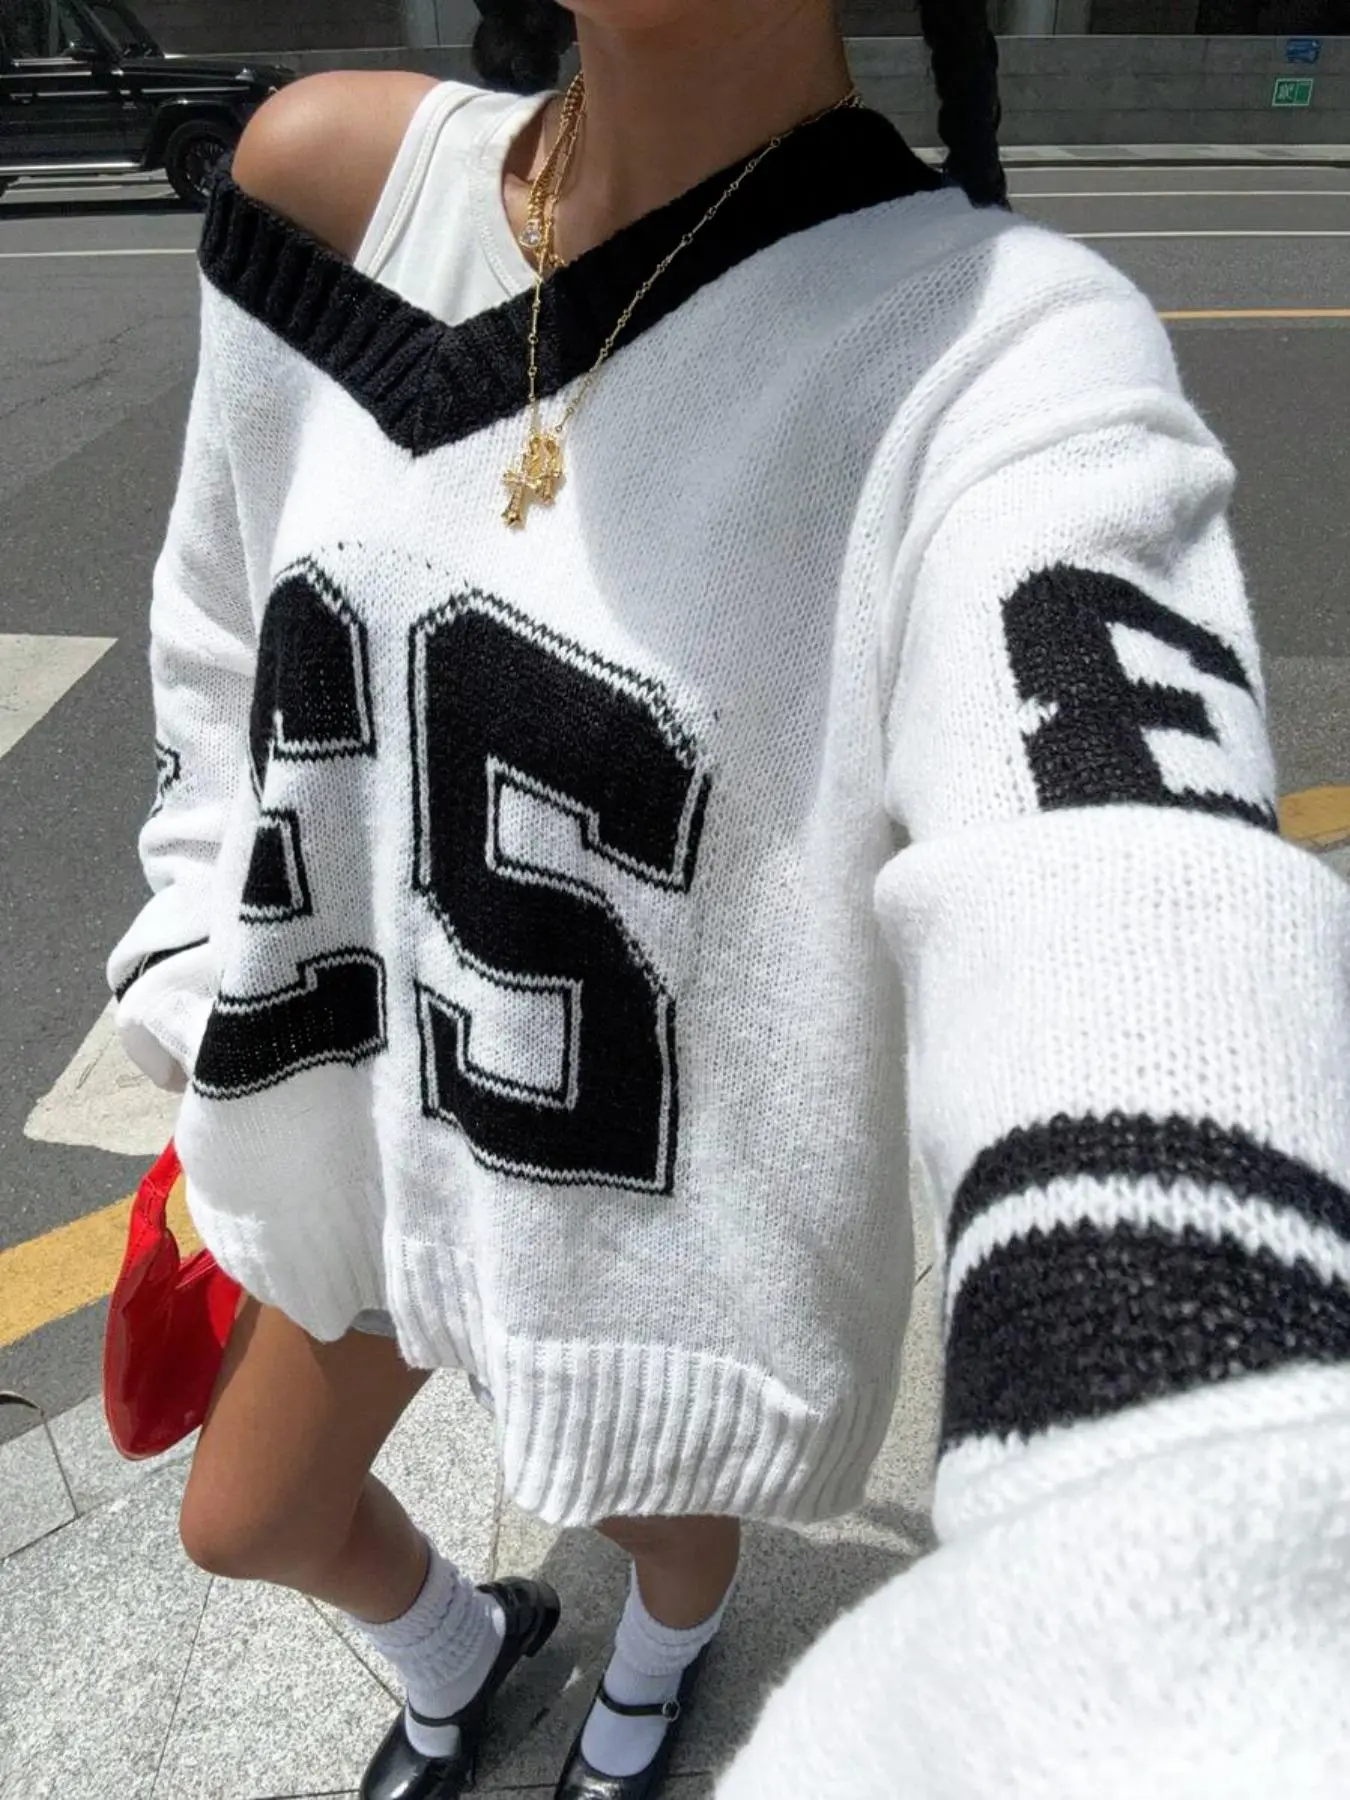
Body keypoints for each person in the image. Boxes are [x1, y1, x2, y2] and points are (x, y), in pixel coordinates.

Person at [107, 0, 1350, 1796]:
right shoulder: (329, 182)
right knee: (249, 1517)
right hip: (359, 1133)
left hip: (631, 1217)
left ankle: (655, 1665)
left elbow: (1124, 877)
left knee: (660, 1522)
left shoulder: (998, 349)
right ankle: (464, 1653)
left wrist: (1188, 1505)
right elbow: (220, 631)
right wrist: (187, 962)